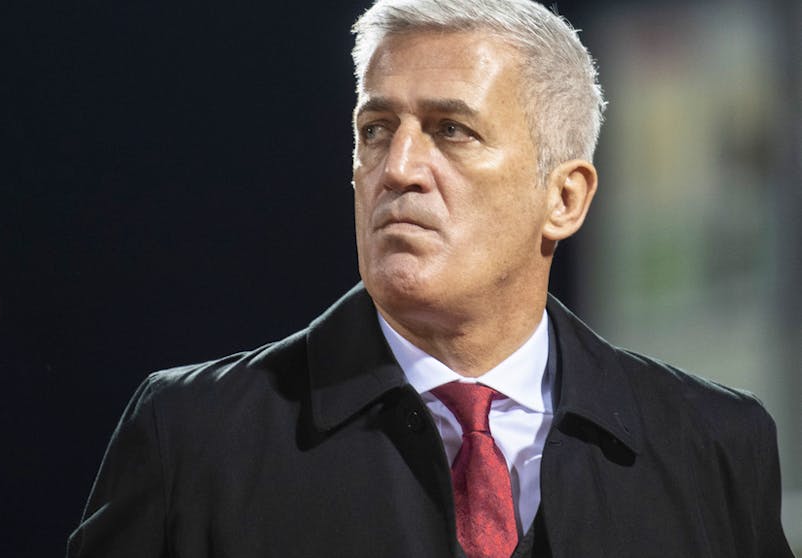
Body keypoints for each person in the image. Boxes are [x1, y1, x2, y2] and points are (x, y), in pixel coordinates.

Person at [68, 0, 794, 556]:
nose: (399, 169)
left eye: (451, 130)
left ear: (564, 198)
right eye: (376, 130)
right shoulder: (194, 440)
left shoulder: (715, 447)